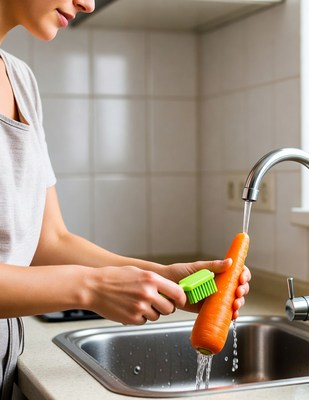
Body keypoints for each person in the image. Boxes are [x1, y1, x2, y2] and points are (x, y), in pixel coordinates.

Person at [0, 0, 251, 398]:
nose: (88, 3)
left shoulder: (22, 82)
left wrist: (159, 277)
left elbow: (49, 243)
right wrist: (91, 287)